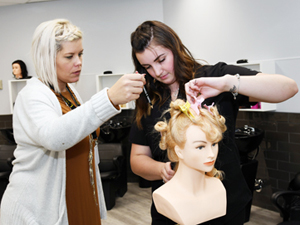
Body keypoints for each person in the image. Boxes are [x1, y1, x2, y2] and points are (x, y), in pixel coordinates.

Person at [129, 20, 298, 225]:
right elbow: (137, 158)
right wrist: (161, 170)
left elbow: (288, 88)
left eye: (161, 59)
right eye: (148, 66)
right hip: (172, 211)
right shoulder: (148, 98)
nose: (157, 72)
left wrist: (228, 84)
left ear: (174, 47)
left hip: (224, 206)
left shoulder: (213, 77)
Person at [0, 19, 145, 225]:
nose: (79, 62)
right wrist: (109, 98)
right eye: (69, 56)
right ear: (47, 58)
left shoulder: (70, 91)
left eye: (80, 54)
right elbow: (54, 137)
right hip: (40, 209)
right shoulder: (31, 95)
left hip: (78, 196)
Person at [153, 99, 227, 225]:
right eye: (200, 147)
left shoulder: (218, 187)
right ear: (179, 151)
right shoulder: (165, 196)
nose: (211, 154)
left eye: (214, 144)